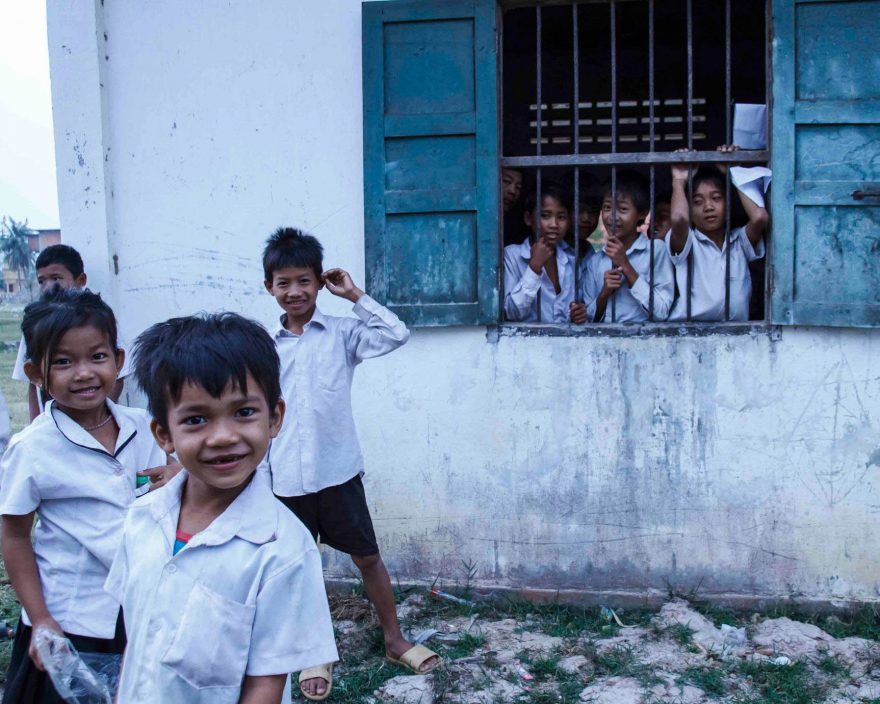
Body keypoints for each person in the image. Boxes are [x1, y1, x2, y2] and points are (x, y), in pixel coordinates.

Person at [106, 312, 338, 703]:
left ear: (274, 417)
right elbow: (138, 635)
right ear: (164, 434)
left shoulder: (283, 550)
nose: (223, 437)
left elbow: (266, 683)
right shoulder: (142, 518)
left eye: (244, 412)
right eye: (196, 419)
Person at [262, 228, 438, 697]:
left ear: (320, 282)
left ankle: (394, 638)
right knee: (299, 568)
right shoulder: (263, 346)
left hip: (338, 473)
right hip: (286, 479)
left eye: (304, 280)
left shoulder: (342, 333)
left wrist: (355, 295)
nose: (295, 291)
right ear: (270, 288)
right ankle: (314, 651)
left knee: (368, 557)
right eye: (284, 283)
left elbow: (396, 333)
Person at [0, 288, 173, 704]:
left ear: (118, 360)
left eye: (97, 357)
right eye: (63, 361)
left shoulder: (144, 426)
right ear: (35, 373)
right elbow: (14, 535)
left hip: (140, 607)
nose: (83, 373)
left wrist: (176, 474)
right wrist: (41, 619)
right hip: (71, 615)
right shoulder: (33, 447)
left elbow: (167, 498)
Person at [11, 245, 132, 419]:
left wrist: (96, 414)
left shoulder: (99, 321)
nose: (48, 287)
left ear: (81, 280)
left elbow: (119, 378)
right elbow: (32, 385)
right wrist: (35, 422)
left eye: (56, 278)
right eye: (41, 281)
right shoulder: (37, 326)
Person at [667, 145, 769, 321]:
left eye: (716, 198)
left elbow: (760, 217)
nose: (708, 207)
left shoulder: (739, 241)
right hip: (689, 333)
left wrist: (734, 172)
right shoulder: (688, 241)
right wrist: (678, 180)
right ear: (689, 209)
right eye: (698, 201)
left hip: (735, 334)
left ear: (728, 204)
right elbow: (678, 220)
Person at [571, 170, 674, 323]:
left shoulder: (656, 250)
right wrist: (604, 294)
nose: (612, 216)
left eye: (623, 209)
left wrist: (626, 266)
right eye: (607, 208)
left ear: (642, 214)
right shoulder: (595, 260)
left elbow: (662, 312)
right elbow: (587, 322)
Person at [503, 181, 576, 322]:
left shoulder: (570, 258)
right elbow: (511, 313)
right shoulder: (512, 255)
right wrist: (534, 268)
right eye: (545, 216)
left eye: (561, 217)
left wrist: (578, 314)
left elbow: (571, 311)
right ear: (528, 218)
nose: (554, 225)